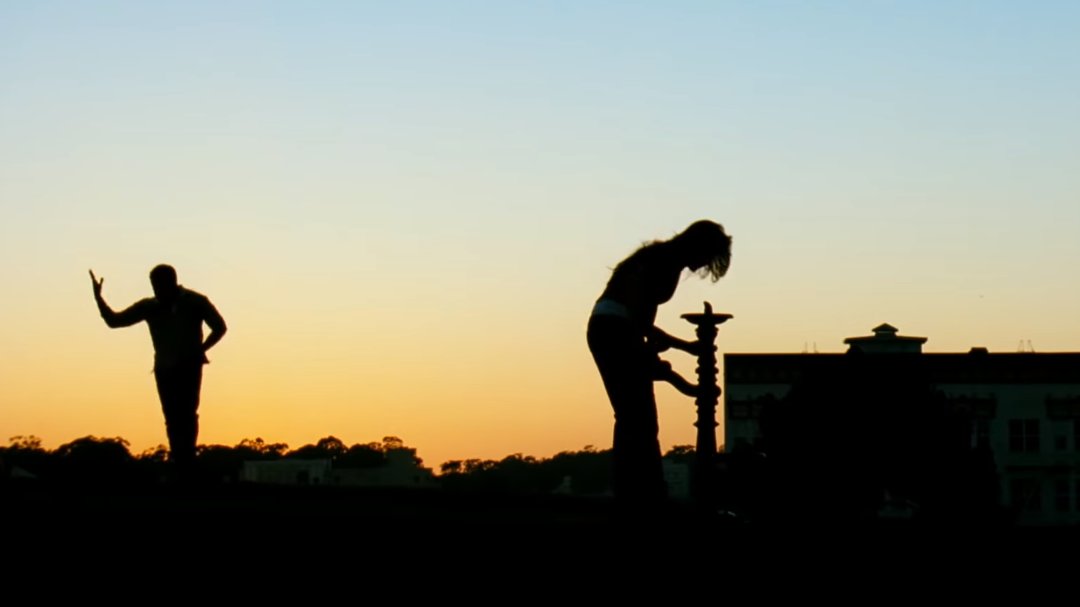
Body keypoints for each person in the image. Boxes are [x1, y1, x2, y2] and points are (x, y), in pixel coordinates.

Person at [587, 220, 732, 509]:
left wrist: (673, 347)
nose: (705, 264)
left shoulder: (663, 260)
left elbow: (643, 318)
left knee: (634, 415)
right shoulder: (662, 262)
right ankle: (641, 491)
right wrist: (684, 347)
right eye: (707, 256)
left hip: (613, 328)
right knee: (636, 416)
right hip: (613, 330)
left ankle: (636, 488)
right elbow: (639, 316)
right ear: (697, 247)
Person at [90, 264, 227, 474]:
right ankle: (180, 462)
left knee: (187, 415)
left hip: (189, 366)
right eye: (153, 285)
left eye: (159, 285)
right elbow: (115, 321)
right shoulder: (149, 306)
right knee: (172, 417)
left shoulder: (195, 301)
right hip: (164, 368)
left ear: (172, 282)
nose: (156, 290)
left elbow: (220, 327)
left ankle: (187, 461)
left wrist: (199, 350)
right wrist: (99, 299)